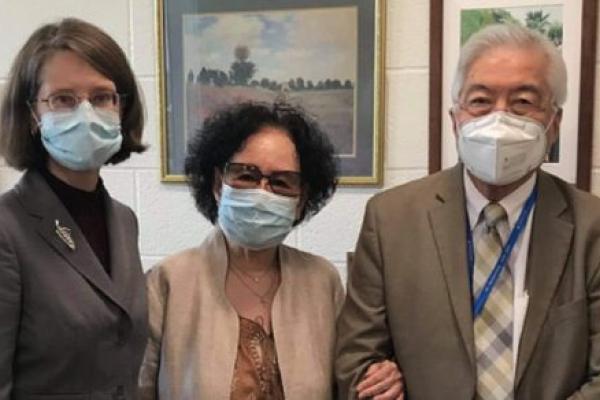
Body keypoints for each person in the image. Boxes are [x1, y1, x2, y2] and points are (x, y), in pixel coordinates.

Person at [336, 23, 600, 399]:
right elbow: (356, 357)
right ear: (455, 119)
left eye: (523, 102)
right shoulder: (391, 219)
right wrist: (374, 381)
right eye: (480, 101)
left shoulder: (592, 226)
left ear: (553, 124)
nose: (499, 118)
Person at [137, 102, 403, 399]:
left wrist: (381, 375)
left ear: (301, 199)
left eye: (281, 182)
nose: (262, 192)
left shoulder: (322, 281)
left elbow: (351, 376)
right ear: (217, 184)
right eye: (246, 176)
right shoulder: (169, 282)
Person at [0, 18, 148, 398]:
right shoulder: (7, 228)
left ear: (121, 106)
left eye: (102, 97)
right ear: (33, 114)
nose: (87, 113)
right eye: (63, 99)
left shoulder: (123, 220)